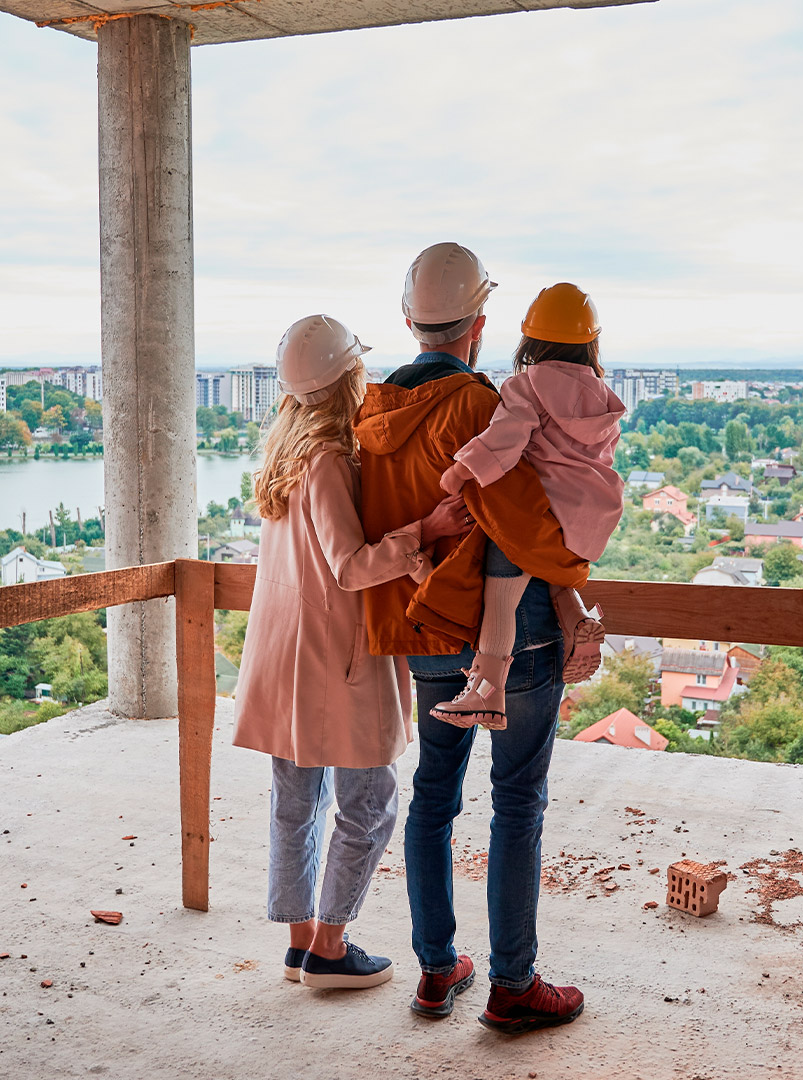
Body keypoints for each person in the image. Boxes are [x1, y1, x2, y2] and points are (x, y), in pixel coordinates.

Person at [355, 243, 591, 1034]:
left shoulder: (372, 411)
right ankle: (512, 986)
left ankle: (433, 969)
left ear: (407, 319)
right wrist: (577, 571)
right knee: (517, 803)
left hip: (424, 629)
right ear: (481, 323)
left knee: (433, 796)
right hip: (510, 638)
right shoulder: (480, 404)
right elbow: (526, 525)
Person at [229, 314, 472, 991]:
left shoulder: (284, 452)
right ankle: (331, 949)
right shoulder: (332, 458)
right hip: (331, 655)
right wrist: (427, 528)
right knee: (369, 802)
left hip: (281, 652)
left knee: (295, 801)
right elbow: (349, 566)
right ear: (347, 376)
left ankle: (300, 942)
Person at [430, 283, 623, 728]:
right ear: (591, 343)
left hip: (537, 515)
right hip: (589, 521)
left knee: (501, 597)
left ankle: (487, 691)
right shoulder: (604, 397)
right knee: (553, 570)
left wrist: (460, 472)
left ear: (530, 339)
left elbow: (504, 441)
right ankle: (577, 620)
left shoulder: (527, 385)